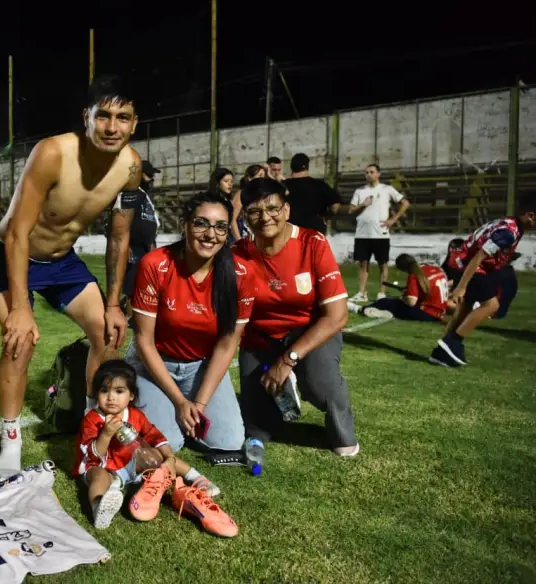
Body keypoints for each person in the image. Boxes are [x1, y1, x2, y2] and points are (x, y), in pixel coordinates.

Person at [0, 75, 143, 477]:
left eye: (122, 117)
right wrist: (21, 307)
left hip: (62, 261)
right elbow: (18, 232)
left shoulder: (130, 167)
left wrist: (112, 304)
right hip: (12, 255)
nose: (112, 127)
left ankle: (94, 426)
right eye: (103, 115)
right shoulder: (53, 152)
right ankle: (11, 437)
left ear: (134, 122)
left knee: (107, 334)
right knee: (21, 341)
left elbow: (120, 236)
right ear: (85, 117)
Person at [234, 178, 359, 457]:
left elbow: (337, 316)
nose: (265, 217)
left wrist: (288, 359)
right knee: (256, 428)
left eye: (273, 208)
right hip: (261, 338)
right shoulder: (237, 255)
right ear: (245, 217)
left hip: (309, 332)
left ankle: (340, 427)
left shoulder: (312, 243)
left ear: (287, 210)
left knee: (319, 385)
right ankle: (274, 401)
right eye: (255, 211)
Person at [125, 191, 255, 454]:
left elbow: (227, 345)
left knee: (228, 441)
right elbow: (143, 341)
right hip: (153, 364)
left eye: (220, 227)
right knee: (169, 444)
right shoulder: (156, 264)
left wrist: (200, 402)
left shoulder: (241, 274)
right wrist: (180, 402)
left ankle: (170, 413)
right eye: (201, 223)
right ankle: (143, 402)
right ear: (184, 223)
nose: (210, 234)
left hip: (200, 367)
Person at [73, 360, 236, 537]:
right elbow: (91, 455)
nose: (111, 397)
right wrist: (105, 434)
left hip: (130, 463)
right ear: (97, 394)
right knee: (98, 476)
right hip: (103, 466)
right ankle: (99, 505)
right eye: (104, 391)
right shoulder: (92, 419)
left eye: (119, 391)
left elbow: (155, 436)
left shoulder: (135, 415)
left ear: (131, 396)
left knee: (159, 455)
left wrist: (169, 458)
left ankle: (196, 477)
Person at [430, 210, 536, 367]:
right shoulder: (509, 232)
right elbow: (478, 256)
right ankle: (453, 342)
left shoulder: (509, 223)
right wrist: (461, 286)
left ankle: (440, 352)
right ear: (531, 215)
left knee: (466, 306)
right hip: (469, 265)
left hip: (461, 261)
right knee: (491, 305)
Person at [347, 164, 411, 303]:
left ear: (378, 174)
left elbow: (405, 203)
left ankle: (381, 293)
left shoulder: (387, 189)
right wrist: (363, 204)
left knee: (383, 264)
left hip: (380, 233)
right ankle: (362, 293)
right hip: (362, 234)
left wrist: (393, 219)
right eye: (366, 172)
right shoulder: (360, 191)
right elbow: (351, 210)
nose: (368, 174)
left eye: (371, 172)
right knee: (363, 264)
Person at [110, 159, 160, 320]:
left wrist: (152, 245)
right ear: (139, 175)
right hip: (133, 247)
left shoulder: (145, 195)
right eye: (149, 175)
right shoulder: (128, 194)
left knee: (145, 283)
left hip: (146, 246)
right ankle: (131, 318)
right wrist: (127, 248)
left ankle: (136, 312)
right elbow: (115, 225)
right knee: (132, 286)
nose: (152, 179)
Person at [348, 253, 448, 322]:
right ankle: (386, 312)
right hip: (440, 313)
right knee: (391, 303)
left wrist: (403, 297)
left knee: (386, 302)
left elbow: (411, 302)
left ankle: (359, 309)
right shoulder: (436, 269)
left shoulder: (414, 275)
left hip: (427, 314)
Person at [283, 153, 343, 235]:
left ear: (291, 167)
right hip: (314, 233)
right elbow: (335, 206)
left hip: (291, 233)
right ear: (307, 166)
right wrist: (327, 217)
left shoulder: (283, 185)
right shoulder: (319, 185)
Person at [208, 167, 242, 242]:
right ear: (217, 183)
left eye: (231, 181)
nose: (230, 184)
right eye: (226, 181)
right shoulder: (211, 201)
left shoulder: (228, 201)